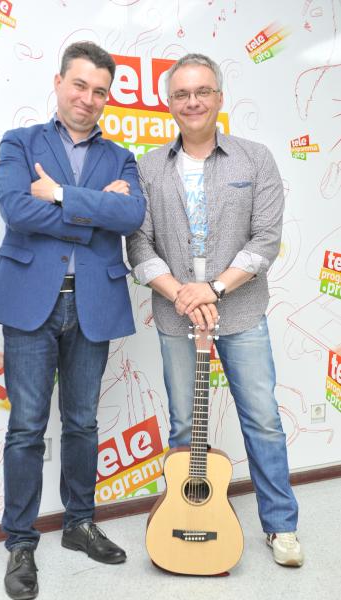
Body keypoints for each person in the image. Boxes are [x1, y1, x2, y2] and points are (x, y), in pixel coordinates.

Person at [0, 41, 146, 600]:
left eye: (100, 91)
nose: (88, 98)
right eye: (80, 85)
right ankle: (20, 541)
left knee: (81, 423)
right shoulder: (20, 142)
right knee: (26, 427)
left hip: (93, 303)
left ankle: (79, 523)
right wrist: (92, 209)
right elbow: (15, 209)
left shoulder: (121, 157)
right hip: (31, 301)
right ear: (58, 83)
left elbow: (130, 214)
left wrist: (58, 195)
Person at [126, 53, 304, 568]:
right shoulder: (148, 167)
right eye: (181, 94)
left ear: (220, 97)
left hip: (241, 311)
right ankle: (182, 521)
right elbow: (138, 244)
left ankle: (281, 527)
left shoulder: (255, 159)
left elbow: (265, 239)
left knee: (262, 420)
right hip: (175, 314)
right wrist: (183, 293)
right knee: (185, 426)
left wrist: (213, 289)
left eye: (202, 91)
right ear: (168, 103)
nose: (193, 102)